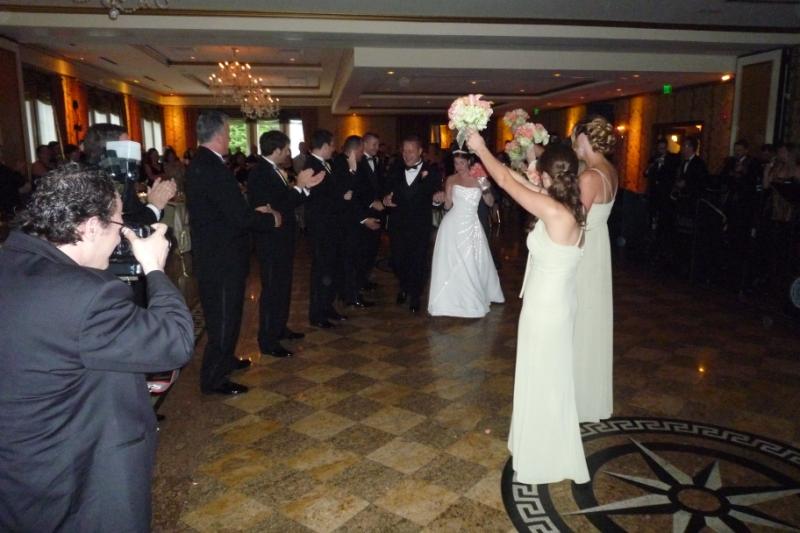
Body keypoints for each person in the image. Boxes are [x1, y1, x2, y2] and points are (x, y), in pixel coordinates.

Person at [0, 167, 194, 532]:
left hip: (18, 469)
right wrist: (154, 268)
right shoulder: (87, 295)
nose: (121, 232)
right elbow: (176, 341)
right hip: (75, 477)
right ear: (90, 227)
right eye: (117, 222)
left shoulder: (11, 259)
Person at [467, 131, 589, 485]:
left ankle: (543, 454)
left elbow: (506, 183)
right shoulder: (571, 207)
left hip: (546, 309)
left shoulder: (553, 210)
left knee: (543, 377)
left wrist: (481, 149)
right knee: (550, 376)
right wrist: (517, 169)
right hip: (558, 305)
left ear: (548, 177)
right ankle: (543, 444)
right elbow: (517, 181)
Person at [186, 111, 281, 396]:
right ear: (219, 134)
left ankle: (226, 360)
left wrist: (251, 211)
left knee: (229, 313)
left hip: (219, 253)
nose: (229, 137)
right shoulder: (211, 167)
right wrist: (270, 219)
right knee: (224, 318)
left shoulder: (205, 162)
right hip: (221, 257)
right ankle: (214, 378)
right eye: (228, 132)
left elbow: (227, 210)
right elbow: (237, 217)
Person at [248, 130, 325, 358]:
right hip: (270, 241)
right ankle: (267, 340)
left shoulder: (274, 170)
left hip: (282, 239)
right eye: (286, 149)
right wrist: (299, 187)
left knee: (283, 287)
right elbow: (274, 206)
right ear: (277, 150)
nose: (289, 153)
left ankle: (280, 328)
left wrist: (304, 188)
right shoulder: (260, 173)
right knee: (272, 290)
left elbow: (285, 203)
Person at [571, 116, 618, 423]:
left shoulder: (589, 176)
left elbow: (573, 219)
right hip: (600, 245)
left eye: (576, 139)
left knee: (581, 318)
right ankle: (590, 394)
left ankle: (577, 396)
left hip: (586, 249)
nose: (574, 145)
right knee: (592, 318)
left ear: (586, 140)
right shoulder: (610, 170)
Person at [428, 150, 504, 317]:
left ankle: (471, 301)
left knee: (469, 262)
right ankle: (450, 300)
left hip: (471, 225)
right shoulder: (451, 179)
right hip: (451, 225)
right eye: (456, 163)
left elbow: (490, 202)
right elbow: (448, 206)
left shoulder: (479, 177)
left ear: (469, 161)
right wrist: (438, 199)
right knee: (453, 262)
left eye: (462, 163)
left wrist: (485, 186)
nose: (459, 167)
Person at [382, 135, 445, 313]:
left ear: (420, 152)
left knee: (418, 260)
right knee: (398, 260)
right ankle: (404, 286)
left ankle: (415, 295)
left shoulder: (431, 172)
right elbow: (386, 190)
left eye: (411, 151)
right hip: (398, 224)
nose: (407, 154)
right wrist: (385, 199)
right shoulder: (395, 169)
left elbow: (436, 197)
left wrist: (437, 200)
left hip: (420, 225)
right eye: (404, 151)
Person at [83, 123, 176, 227]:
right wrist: (154, 207)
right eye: (126, 147)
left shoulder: (120, 178)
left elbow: (134, 211)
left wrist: (156, 200)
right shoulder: (93, 185)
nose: (132, 154)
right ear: (108, 150)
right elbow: (119, 226)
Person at [304, 129, 348, 327]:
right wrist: (340, 197)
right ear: (324, 146)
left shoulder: (325, 164)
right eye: (332, 145)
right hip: (321, 228)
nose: (334, 148)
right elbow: (319, 200)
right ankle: (317, 314)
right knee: (321, 272)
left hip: (331, 227)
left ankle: (327, 307)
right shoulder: (311, 167)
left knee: (330, 270)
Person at [332, 135, 381, 308]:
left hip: (351, 221)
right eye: (361, 150)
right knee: (349, 260)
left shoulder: (346, 162)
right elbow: (349, 196)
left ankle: (349, 293)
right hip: (346, 222)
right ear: (355, 150)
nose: (362, 154)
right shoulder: (341, 164)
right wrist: (364, 218)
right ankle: (351, 296)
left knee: (351, 259)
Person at [358, 131, 386, 290]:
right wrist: (371, 202)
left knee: (372, 249)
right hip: (363, 212)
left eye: (377, 144)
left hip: (378, 212)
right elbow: (357, 189)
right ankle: (358, 283)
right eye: (374, 144)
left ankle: (365, 279)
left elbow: (379, 185)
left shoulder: (377, 160)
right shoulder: (357, 161)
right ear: (365, 144)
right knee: (362, 250)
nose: (377, 148)